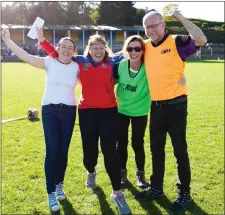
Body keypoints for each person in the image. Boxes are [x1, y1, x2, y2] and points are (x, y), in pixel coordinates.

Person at [38, 30, 131, 215]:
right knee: (89, 152)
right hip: (87, 112)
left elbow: (134, 56)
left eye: (101, 48)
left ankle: (117, 192)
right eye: (94, 48)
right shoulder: (79, 60)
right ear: (89, 48)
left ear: (106, 49)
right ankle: (91, 172)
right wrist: (42, 40)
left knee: (109, 150)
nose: (98, 51)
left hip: (108, 111)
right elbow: (56, 53)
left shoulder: (113, 62)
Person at [134, 9, 207, 213]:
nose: (151, 30)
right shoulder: (145, 47)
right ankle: (156, 188)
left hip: (176, 105)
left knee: (179, 151)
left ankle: (184, 192)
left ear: (163, 25)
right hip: (155, 106)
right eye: (147, 27)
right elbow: (125, 56)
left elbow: (201, 39)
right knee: (156, 151)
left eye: (154, 25)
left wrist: (181, 18)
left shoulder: (177, 41)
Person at [2, 28, 80, 212]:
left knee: (63, 151)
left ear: (74, 51)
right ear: (58, 48)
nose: (67, 50)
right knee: (52, 150)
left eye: (71, 47)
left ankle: (59, 184)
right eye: (64, 46)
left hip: (69, 110)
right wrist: (7, 41)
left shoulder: (77, 66)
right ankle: (50, 191)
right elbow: (25, 56)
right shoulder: (48, 62)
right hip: (50, 111)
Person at [114, 35, 186, 189]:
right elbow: (106, 79)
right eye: (130, 48)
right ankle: (122, 174)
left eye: (137, 49)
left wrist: (180, 79)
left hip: (140, 111)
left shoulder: (149, 67)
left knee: (137, 143)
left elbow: (166, 73)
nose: (134, 52)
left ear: (143, 51)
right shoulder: (119, 65)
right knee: (121, 144)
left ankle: (140, 175)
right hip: (121, 110)